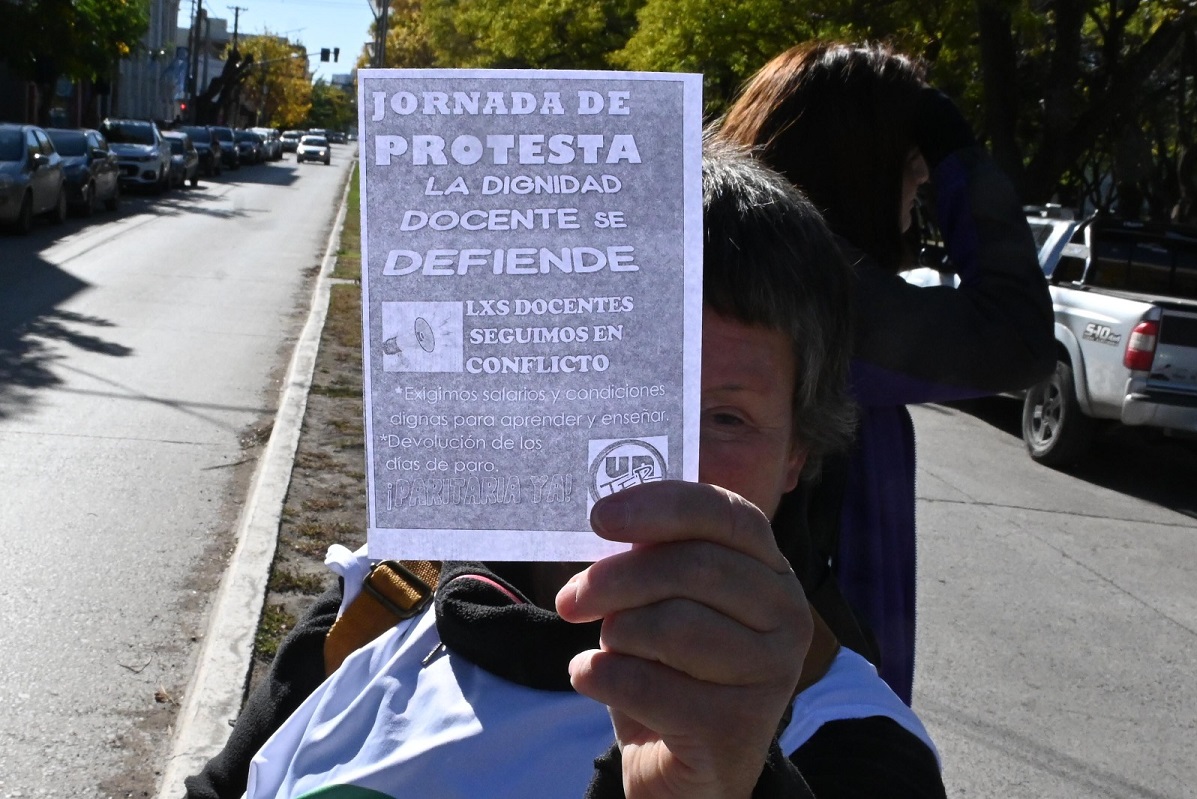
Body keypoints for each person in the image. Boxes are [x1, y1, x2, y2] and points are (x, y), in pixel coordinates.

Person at [185, 140, 946, 799]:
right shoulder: (386, 602)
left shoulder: (853, 748)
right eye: (621, 390)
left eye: (726, 418)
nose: (664, 465)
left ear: (796, 454)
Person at [718, 41, 1056, 704]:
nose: (921, 185)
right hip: (808, 698)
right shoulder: (819, 289)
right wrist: (957, 149)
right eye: (911, 165)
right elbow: (1016, 336)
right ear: (859, 167)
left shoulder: (734, 262)